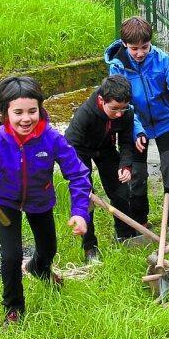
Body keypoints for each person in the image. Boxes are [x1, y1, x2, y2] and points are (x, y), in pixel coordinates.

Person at [0, 76, 90, 325]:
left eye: (32, 111)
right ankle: (13, 308)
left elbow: (78, 174)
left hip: (40, 200)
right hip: (4, 202)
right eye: (18, 112)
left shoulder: (51, 138)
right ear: (6, 112)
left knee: (48, 249)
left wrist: (80, 211)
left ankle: (39, 268)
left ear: (40, 109)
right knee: (11, 256)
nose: (25, 118)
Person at [104, 17, 169, 241]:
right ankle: (140, 220)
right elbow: (123, 103)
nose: (140, 53)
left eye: (145, 47)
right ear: (124, 44)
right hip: (134, 123)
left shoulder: (162, 60)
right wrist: (137, 130)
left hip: (166, 122)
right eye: (134, 49)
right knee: (137, 175)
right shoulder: (117, 67)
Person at [65, 75, 146, 261]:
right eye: (114, 109)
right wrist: (78, 179)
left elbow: (126, 142)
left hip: (105, 149)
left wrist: (125, 165)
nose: (119, 114)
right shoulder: (85, 115)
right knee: (87, 198)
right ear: (102, 101)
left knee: (121, 190)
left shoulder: (126, 113)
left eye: (123, 108)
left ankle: (125, 236)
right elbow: (69, 146)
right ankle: (90, 247)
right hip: (80, 151)